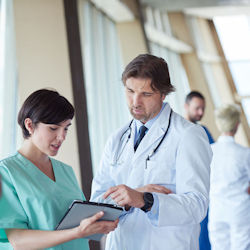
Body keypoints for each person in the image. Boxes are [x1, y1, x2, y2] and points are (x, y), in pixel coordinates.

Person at [91, 54, 212, 250]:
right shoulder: (117, 139)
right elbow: (97, 202)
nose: (135, 102)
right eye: (130, 91)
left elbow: (197, 205)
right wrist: (131, 198)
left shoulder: (188, 135)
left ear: (163, 94)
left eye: (146, 94)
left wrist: (146, 201)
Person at [0, 89, 118, 250]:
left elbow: (82, 219)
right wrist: (76, 232)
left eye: (66, 128)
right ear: (29, 125)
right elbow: (18, 240)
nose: (62, 137)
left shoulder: (65, 171)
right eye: (53, 128)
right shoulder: (7, 172)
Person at [208, 104, 250, 250]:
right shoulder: (245, 154)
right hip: (240, 212)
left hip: (217, 211)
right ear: (237, 124)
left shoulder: (209, 152)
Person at [185, 90, 214, 250]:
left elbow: (215, 159)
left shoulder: (203, 131)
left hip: (204, 192)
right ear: (186, 106)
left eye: (203, 109)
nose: (201, 112)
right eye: (197, 108)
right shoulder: (177, 132)